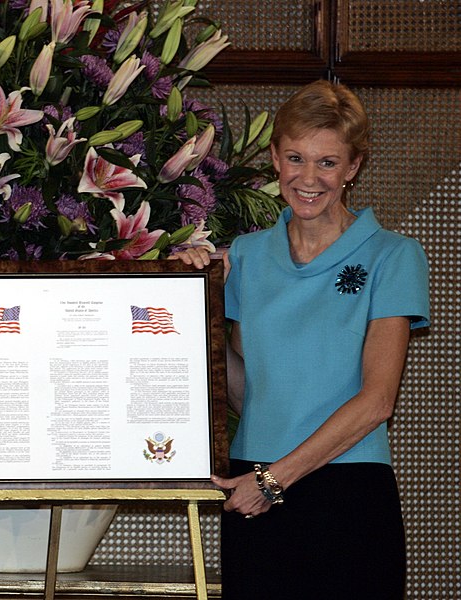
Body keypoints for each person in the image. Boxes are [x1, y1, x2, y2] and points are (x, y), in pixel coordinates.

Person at [175, 80, 429, 599]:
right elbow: (247, 388)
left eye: (327, 163)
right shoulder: (243, 255)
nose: (308, 178)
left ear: (353, 167)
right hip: (253, 484)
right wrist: (191, 305)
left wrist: (274, 481)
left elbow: (378, 401)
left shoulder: (393, 256)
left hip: (345, 489)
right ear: (274, 158)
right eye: (295, 158)